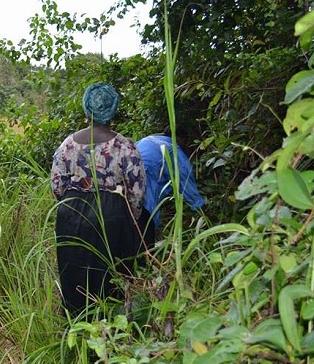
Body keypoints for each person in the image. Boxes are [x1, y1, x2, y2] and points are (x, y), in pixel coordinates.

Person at [51, 82, 146, 317]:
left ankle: (76, 323)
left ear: (86, 109)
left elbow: (57, 186)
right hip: (112, 216)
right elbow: (137, 193)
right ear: (113, 111)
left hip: (71, 216)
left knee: (74, 273)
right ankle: (112, 325)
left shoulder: (67, 145)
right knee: (111, 275)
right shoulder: (125, 146)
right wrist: (128, 219)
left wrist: (73, 205)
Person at [136, 125, 205, 245]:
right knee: (147, 219)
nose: (185, 145)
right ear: (179, 138)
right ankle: (146, 247)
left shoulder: (149, 139)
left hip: (127, 173)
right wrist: (200, 207)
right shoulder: (173, 149)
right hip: (146, 178)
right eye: (185, 141)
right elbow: (185, 180)